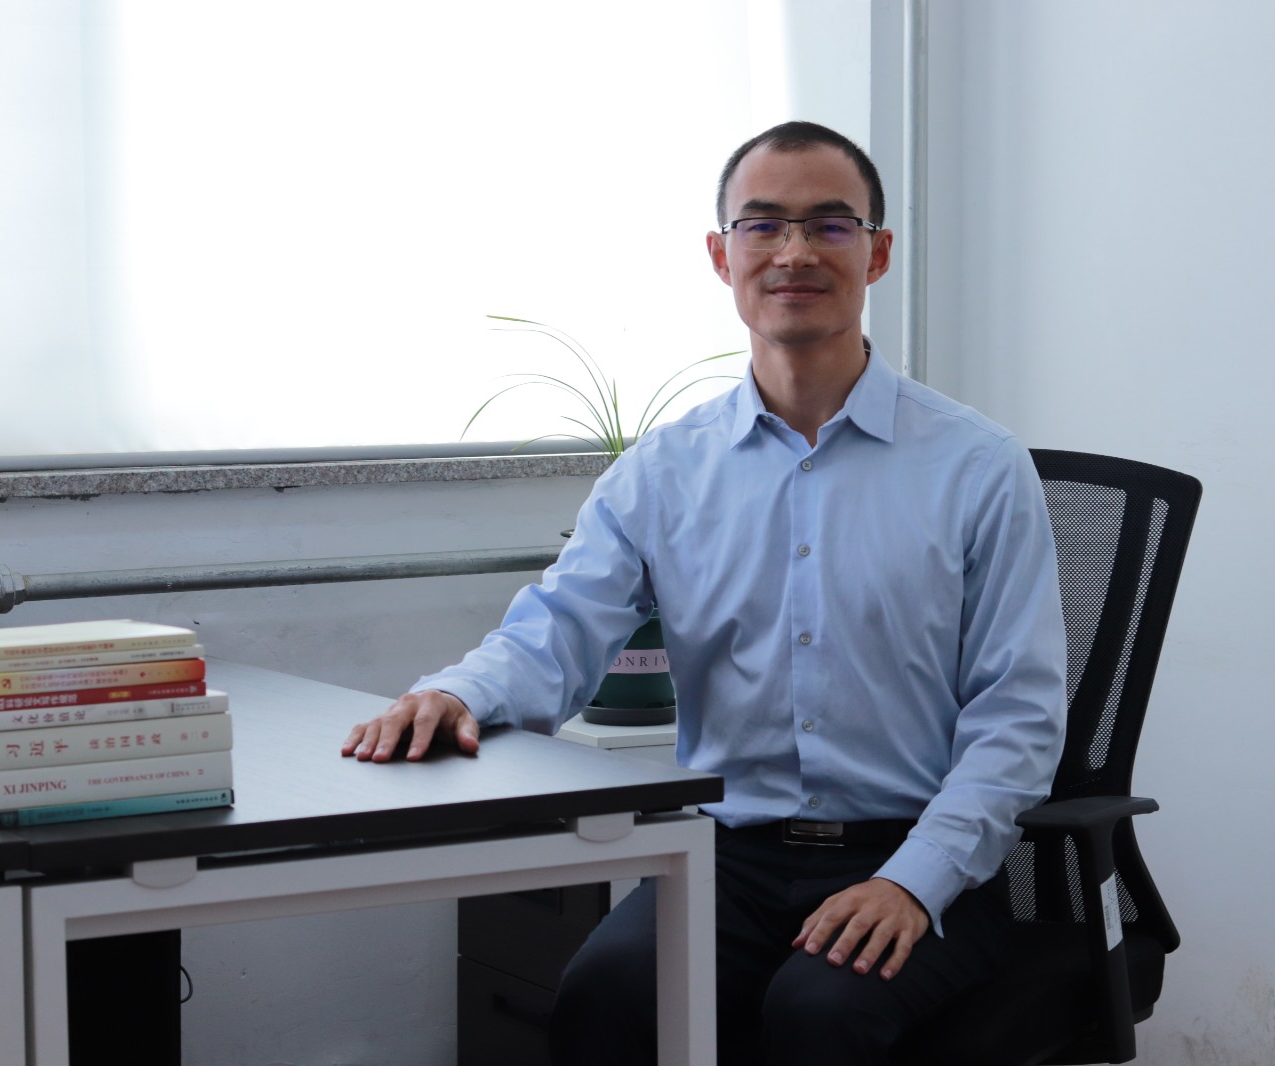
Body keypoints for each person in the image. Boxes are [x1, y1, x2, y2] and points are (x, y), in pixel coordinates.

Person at [342, 121, 1067, 1065]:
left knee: (819, 1013)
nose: (795, 252)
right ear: (723, 257)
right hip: (727, 859)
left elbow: (1018, 717)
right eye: (763, 225)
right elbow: (560, 628)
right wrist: (458, 693)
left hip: (919, 856)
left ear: (878, 253)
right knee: (604, 997)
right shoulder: (666, 471)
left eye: (830, 225)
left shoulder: (978, 467)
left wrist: (913, 882)